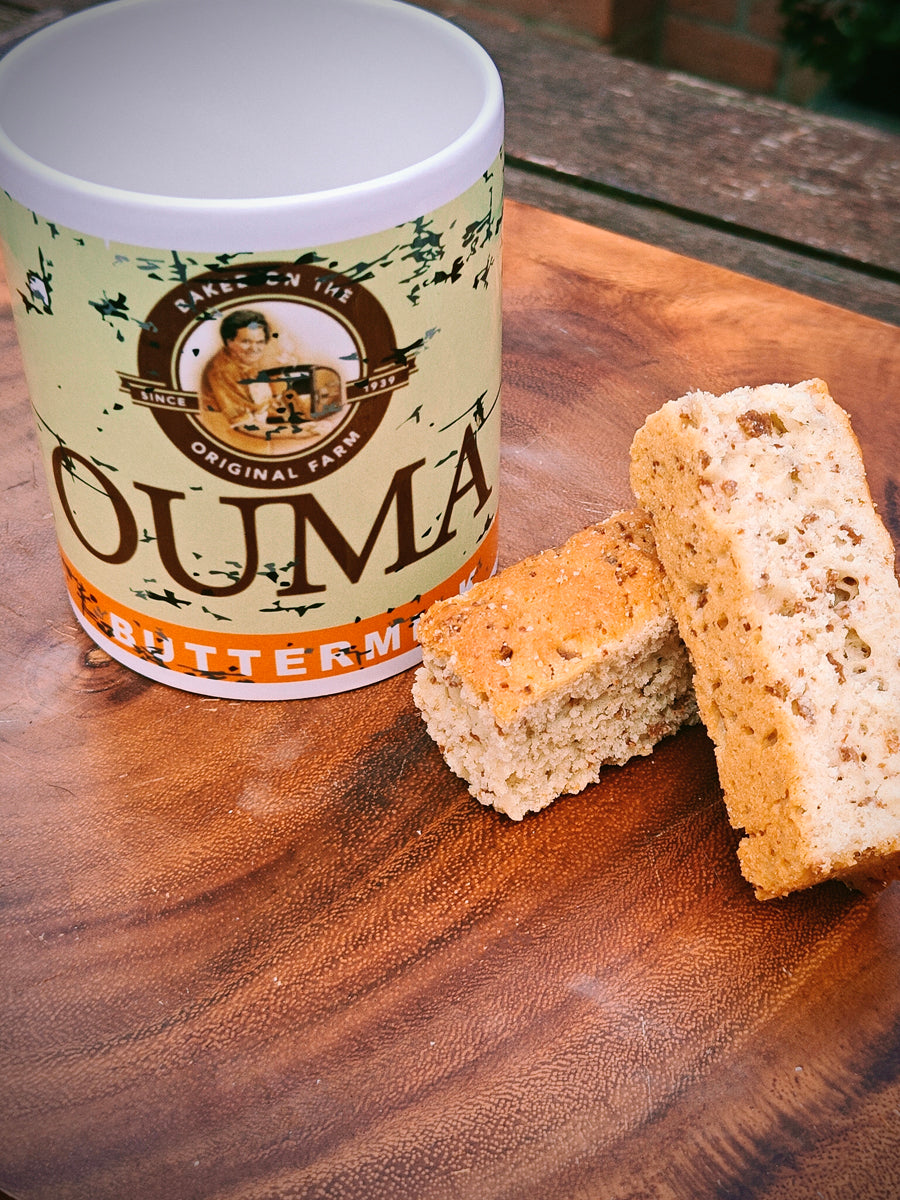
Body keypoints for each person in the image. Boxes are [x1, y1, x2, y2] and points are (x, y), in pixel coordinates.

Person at [199, 309, 283, 426]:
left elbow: (256, 406)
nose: (254, 349)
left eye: (260, 342)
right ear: (229, 341)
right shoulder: (223, 370)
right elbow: (242, 421)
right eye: (246, 342)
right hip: (227, 431)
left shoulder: (244, 361)